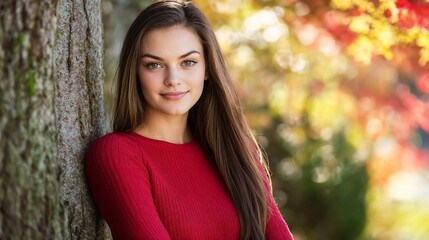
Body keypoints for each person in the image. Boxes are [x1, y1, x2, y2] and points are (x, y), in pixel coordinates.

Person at [85, 0, 294, 239]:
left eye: (188, 62)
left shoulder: (235, 148)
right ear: (135, 72)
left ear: (207, 68)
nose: (173, 79)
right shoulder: (117, 154)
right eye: (154, 65)